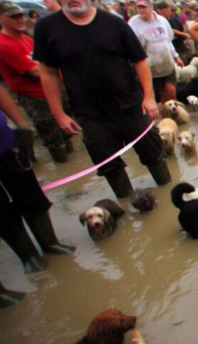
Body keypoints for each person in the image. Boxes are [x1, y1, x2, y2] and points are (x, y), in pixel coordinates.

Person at [34, 0, 171, 199]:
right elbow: (47, 72)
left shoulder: (114, 23)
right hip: (90, 115)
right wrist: (58, 113)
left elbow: (139, 60)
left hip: (132, 106)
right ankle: (125, 202)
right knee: (108, 164)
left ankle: (167, 193)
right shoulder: (46, 27)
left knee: (154, 153)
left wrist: (149, 97)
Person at [0, 85, 76, 277]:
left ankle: (50, 243)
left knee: (30, 194)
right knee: (0, 210)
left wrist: (21, 123)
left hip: (6, 143)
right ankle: (28, 256)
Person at [0, 2, 73, 164]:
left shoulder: (26, 38)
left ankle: (75, 168)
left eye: (20, 15)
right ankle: (66, 176)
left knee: (67, 134)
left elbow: (47, 62)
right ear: (2, 19)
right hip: (35, 100)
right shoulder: (4, 44)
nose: (20, 19)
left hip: (53, 93)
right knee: (55, 142)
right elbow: (36, 71)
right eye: (14, 17)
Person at [129, 0, 184, 105]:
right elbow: (131, 45)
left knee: (171, 90)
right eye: (139, 7)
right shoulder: (133, 23)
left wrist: (176, 56)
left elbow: (168, 40)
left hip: (166, 62)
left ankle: (177, 115)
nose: (141, 10)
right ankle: (166, 117)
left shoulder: (162, 20)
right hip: (150, 66)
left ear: (151, 7)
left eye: (144, 7)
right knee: (161, 93)